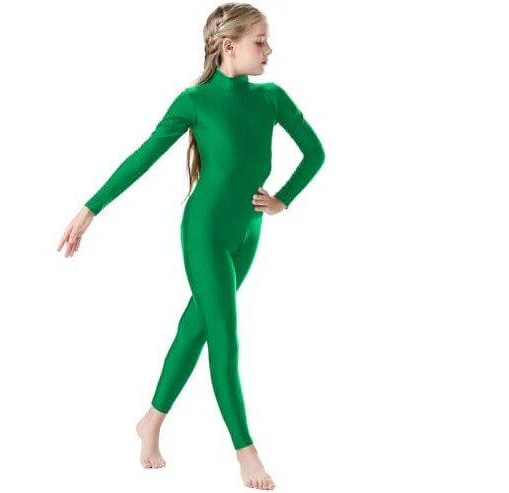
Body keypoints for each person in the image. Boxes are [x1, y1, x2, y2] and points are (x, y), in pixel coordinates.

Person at [56, 3, 325, 490]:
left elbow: (316, 152)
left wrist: (283, 199)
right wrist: (89, 210)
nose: (269, 50)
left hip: (249, 232)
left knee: (195, 327)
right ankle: (246, 452)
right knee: (224, 336)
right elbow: (143, 157)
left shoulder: (272, 98)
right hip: (205, 232)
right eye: (260, 42)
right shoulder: (195, 101)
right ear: (229, 46)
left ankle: (151, 421)